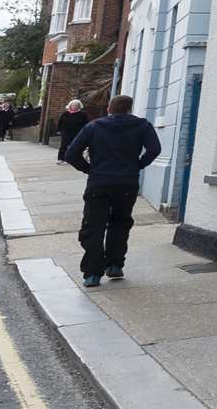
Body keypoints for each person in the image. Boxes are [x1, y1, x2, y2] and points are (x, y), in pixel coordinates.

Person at [63, 95, 161, 288]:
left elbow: (71, 154)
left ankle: (92, 274)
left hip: (98, 183)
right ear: (129, 109)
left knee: (93, 226)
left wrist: (89, 169)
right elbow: (154, 149)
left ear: (109, 108)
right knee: (120, 223)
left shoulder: (94, 126)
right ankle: (115, 265)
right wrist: (137, 165)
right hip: (126, 183)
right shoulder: (142, 126)